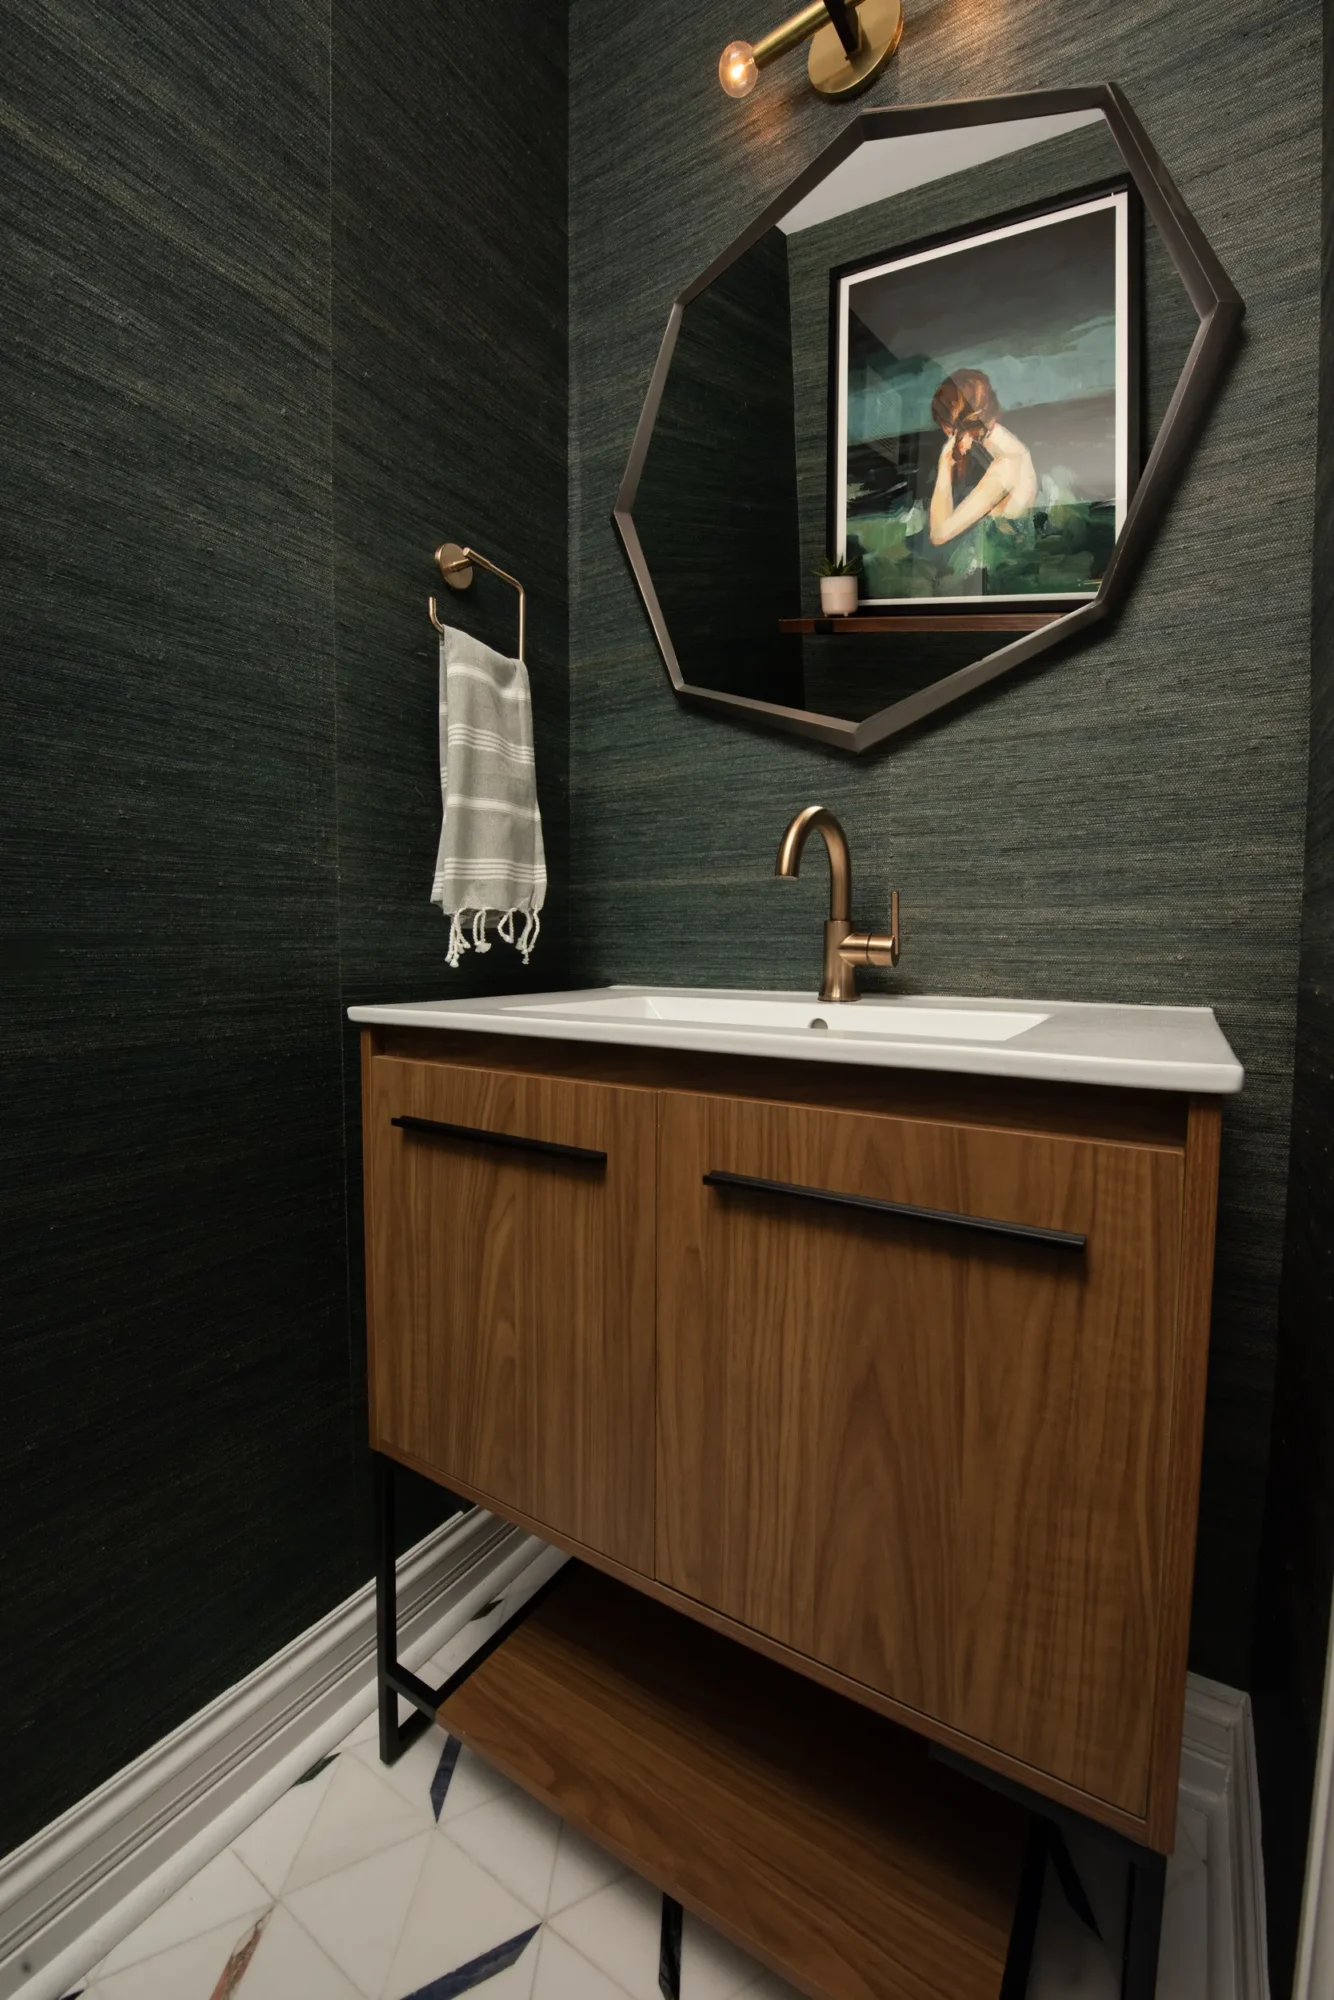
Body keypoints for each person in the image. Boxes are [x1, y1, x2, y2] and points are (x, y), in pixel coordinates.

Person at [927, 369, 1037, 547]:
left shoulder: (1006, 465)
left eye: (945, 429)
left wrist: (944, 464)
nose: (947, 436)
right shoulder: (1008, 447)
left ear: (955, 428)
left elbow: (938, 534)